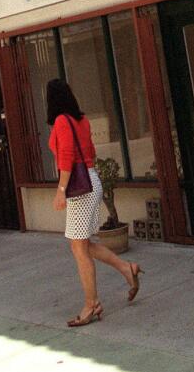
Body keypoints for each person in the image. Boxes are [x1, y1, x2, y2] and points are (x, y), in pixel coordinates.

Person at [47, 78, 144, 327]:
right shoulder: (82, 120)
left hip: (78, 187)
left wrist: (60, 190)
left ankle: (92, 304)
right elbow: (90, 153)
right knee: (83, 245)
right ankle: (126, 268)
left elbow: (67, 158)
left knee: (79, 248)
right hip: (91, 180)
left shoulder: (61, 121)